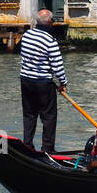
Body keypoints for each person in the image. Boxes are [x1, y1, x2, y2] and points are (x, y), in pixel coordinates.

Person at [19, 9, 67, 154]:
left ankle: (27, 145)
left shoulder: (27, 35)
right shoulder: (50, 40)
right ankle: (48, 149)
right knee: (49, 117)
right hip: (43, 84)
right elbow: (57, 66)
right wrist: (62, 83)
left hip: (26, 80)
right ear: (50, 23)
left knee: (29, 114)